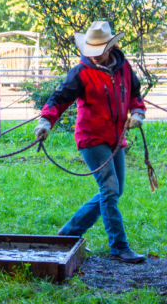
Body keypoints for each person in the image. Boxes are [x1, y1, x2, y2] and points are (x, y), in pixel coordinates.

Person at [34, 21, 146, 263]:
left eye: (99, 51)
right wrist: (45, 122)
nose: (94, 56)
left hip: (116, 139)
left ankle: (69, 233)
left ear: (110, 47)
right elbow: (60, 98)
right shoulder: (80, 72)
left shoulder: (124, 68)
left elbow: (135, 95)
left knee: (115, 191)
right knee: (110, 190)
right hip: (92, 139)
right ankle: (118, 247)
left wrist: (138, 113)